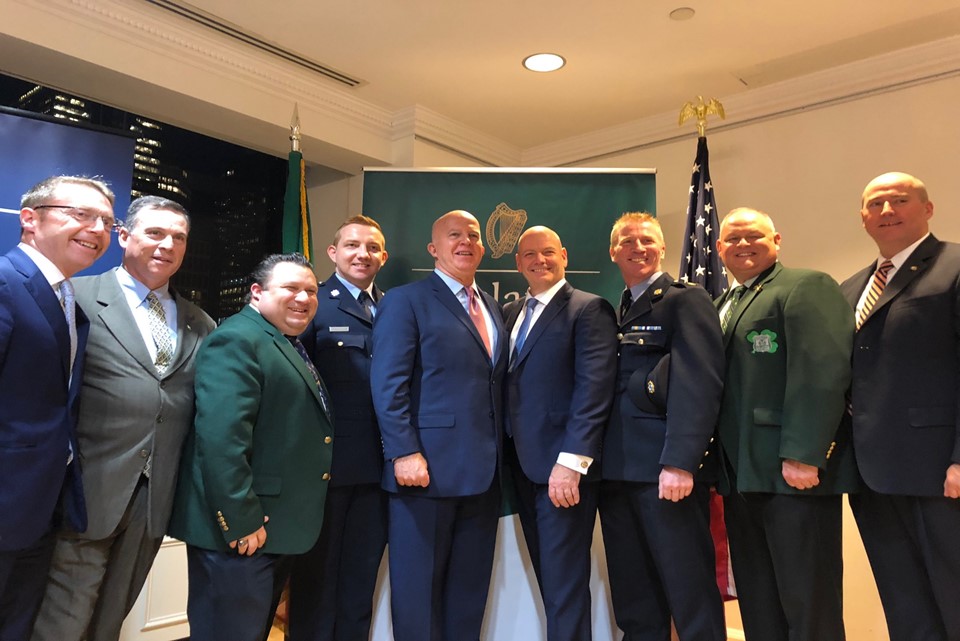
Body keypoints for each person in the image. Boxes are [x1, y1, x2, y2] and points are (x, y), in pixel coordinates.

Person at [30, 196, 215, 641]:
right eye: (155, 232)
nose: (167, 244)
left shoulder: (202, 323)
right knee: (61, 622)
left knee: (112, 621)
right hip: (84, 493)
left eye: (178, 237)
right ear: (125, 236)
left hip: (155, 501)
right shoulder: (78, 298)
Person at [167, 253, 334, 641]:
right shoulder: (237, 339)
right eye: (290, 288)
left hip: (272, 530)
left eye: (311, 291)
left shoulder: (283, 341)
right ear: (256, 293)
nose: (304, 298)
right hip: (242, 534)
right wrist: (240, 520)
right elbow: (222, 439)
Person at [714, 207, 856, 641]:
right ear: (719, 249)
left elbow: (822, 373)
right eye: (732, 239)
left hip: (790, 473)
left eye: (753, 236)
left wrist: (804, 453)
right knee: (760, 599)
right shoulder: (724, 302)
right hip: (740, 474)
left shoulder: (805, 286)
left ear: (776, 240)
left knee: (807, 599)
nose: (742, 244)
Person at [370, 209, 507, 641]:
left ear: (483, 248)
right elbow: (388, 383)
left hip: (484, 475)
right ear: (434, 248)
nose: (465, 241)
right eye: (454, 235)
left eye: (472, 235)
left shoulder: (491, 306)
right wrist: (404, 451)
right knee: (418, 594)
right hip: (424, 473)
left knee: (468, 594)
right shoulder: (404, 300)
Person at [842, 172, 960, 641]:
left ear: (927, 209)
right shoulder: (852, 287)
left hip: (938, 471)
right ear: (864, 218)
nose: (886, 211)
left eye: (899, 200)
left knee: (953, 593)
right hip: (871, 473)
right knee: (902, 598)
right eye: (875, 204)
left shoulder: (953, 266)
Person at [599, 212, 726, 641]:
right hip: (616, 473)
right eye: (628, 241)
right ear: (614, 251)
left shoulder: (683, 300)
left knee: (688, 590)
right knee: (634, 597)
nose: (639, 248)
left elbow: (699, 385)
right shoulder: (617, 307)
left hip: (664, 472)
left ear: (663, 247)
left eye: (647, 240)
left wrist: (681, 462)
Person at [0, 175, 113, 639]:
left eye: (107, 220)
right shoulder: (7, 283)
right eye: (80, 214)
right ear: (30, 219)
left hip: (39, 505)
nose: (97, 228)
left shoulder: (68, 298)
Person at [503, 226, 617, 641]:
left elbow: (594, 389)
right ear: (518, 264)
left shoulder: (589, 309)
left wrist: (571, 462)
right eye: (529, 254)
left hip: (562, 471)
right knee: (550, 579)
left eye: (548, 252)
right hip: (521, 466)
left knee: (565, 582)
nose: (539, 260)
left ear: (564, 255)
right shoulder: (512, 312)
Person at [290, 215, 389, 641]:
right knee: (317, 583)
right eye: (351, 245)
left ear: (383, 257)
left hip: (378, 469)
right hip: (325, 471)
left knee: (359, 583)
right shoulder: (313, 303)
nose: (361, 254)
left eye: (371, 247)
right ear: (333, 253)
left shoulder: (393, 307)